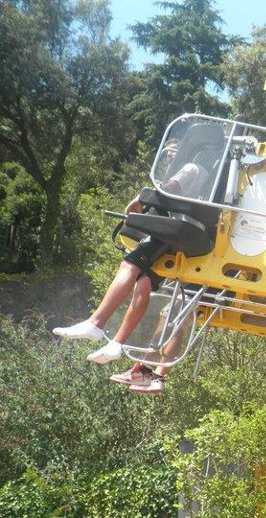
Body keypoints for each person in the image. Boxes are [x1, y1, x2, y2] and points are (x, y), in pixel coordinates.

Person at [53, 139, 212, 367]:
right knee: (144, 281)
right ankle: (116, 343)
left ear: (188, 150)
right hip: (183, 233)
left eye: (174, 150)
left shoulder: (191, 168)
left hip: (173, 228)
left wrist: (139, 199)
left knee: (129, 265)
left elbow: (168, 189)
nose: (169, 155)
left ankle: (96, 323)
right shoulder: (206, 176)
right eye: (166, 151)